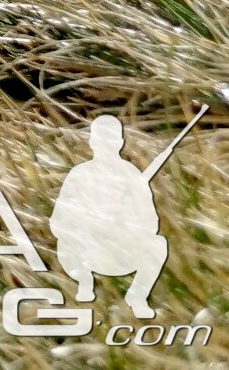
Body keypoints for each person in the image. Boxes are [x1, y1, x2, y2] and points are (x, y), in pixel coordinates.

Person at [52, 116, 168, 317]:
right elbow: (59, 220)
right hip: (85, 251)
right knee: (65, 241)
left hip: (123, 251)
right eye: (101, 139)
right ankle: (84, 282)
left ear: (120, 142)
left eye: (111, 139)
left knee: (158, 244)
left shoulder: (132, 175)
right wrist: (88, 225)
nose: (106, 145)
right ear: (92, 142)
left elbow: (151, 221)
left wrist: (125, 228)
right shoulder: (80, 174)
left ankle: (137, 296)